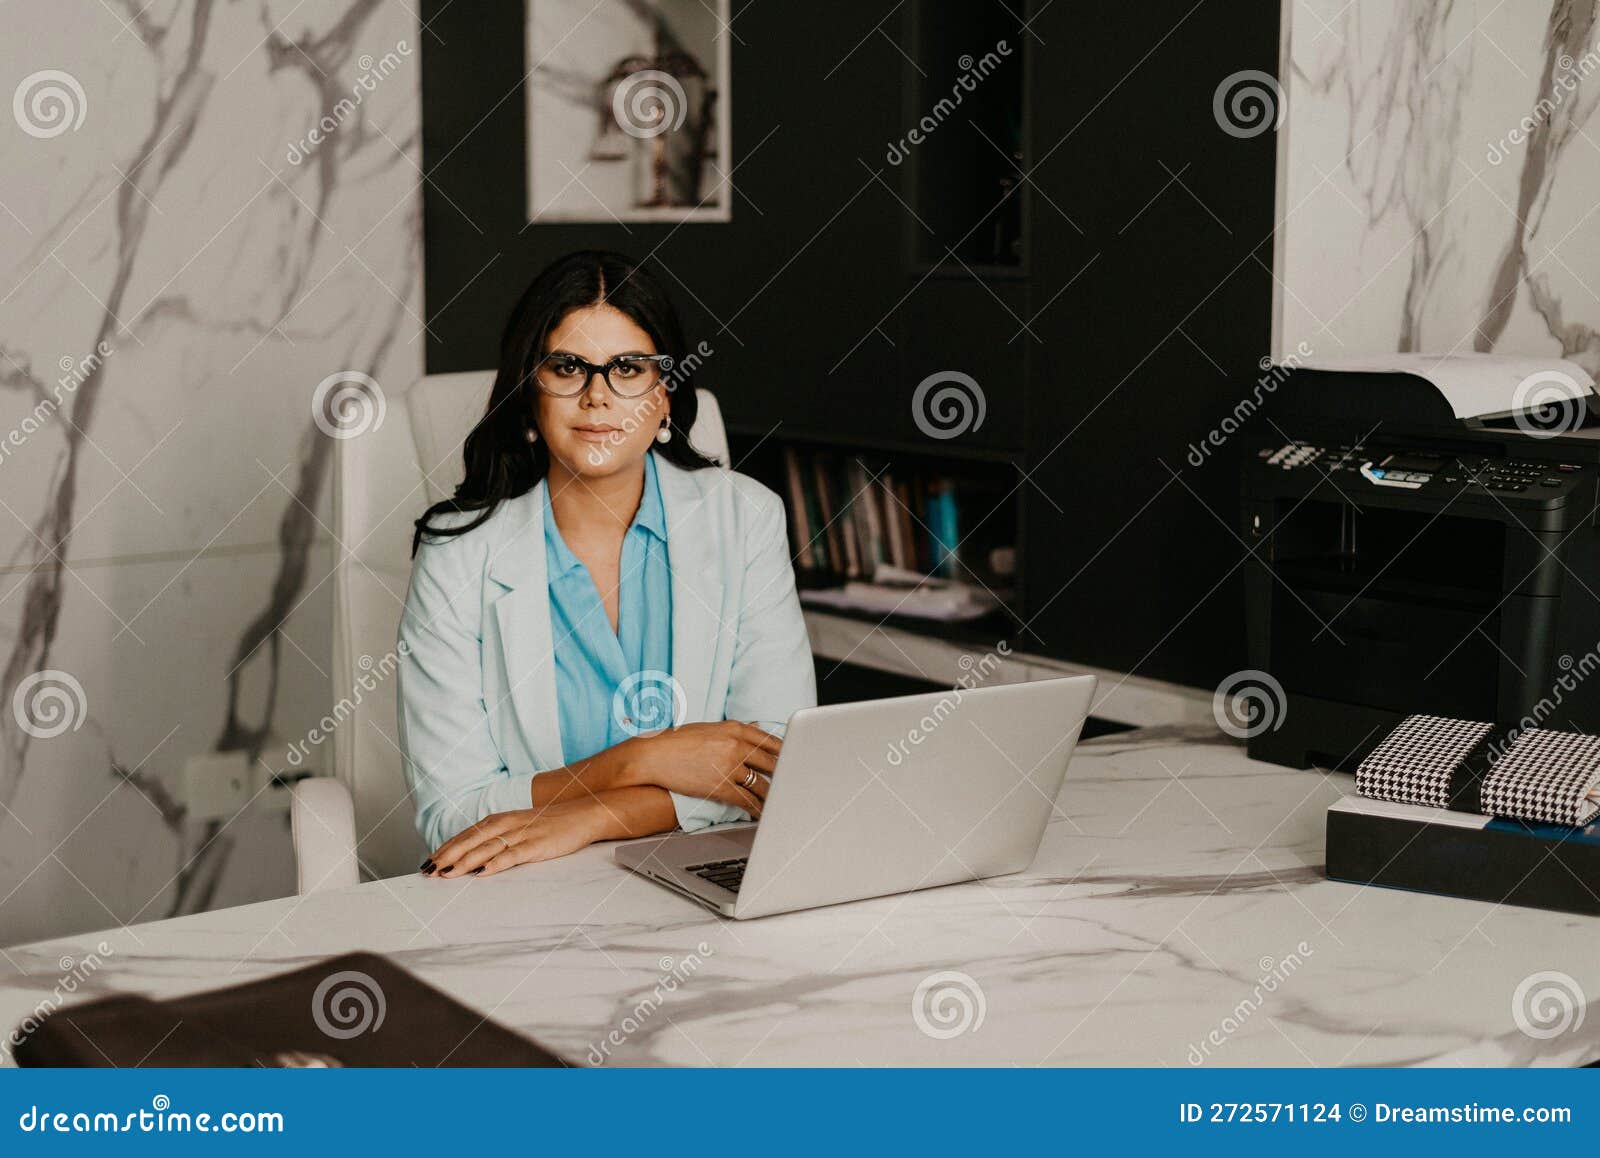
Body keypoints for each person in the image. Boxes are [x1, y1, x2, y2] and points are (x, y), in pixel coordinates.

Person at [397, 250, 815, 878]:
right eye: (567, 367)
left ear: (666, 396)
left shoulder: (746, 520)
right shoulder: (456, 554)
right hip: (518, 893)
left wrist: (586, 816)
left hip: (703, 876)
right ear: (529, 393)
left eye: (628, 368)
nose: (598, 397)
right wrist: (645, 759)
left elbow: (770, 774)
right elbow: (453, 812)